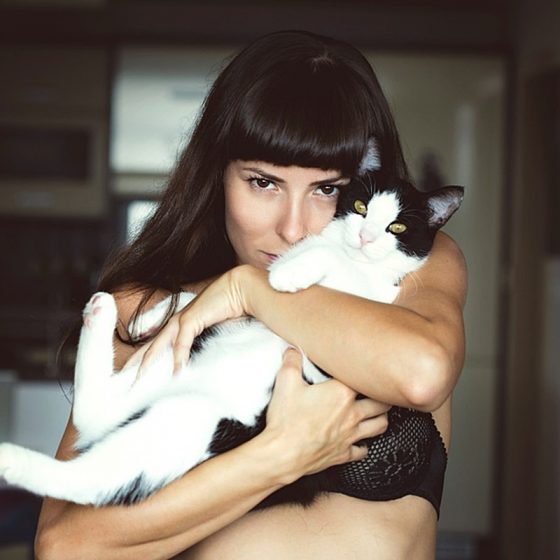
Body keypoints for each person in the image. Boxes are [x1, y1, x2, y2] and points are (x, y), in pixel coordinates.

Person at [35, 30, 466, 560]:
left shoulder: (415, 264)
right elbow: (64, 547)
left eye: (327, 189)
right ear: (218, 174)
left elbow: (423, 373)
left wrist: (250, 290)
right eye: (263, 182)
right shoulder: (146, 310)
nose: (293, 228)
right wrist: (279, 457)